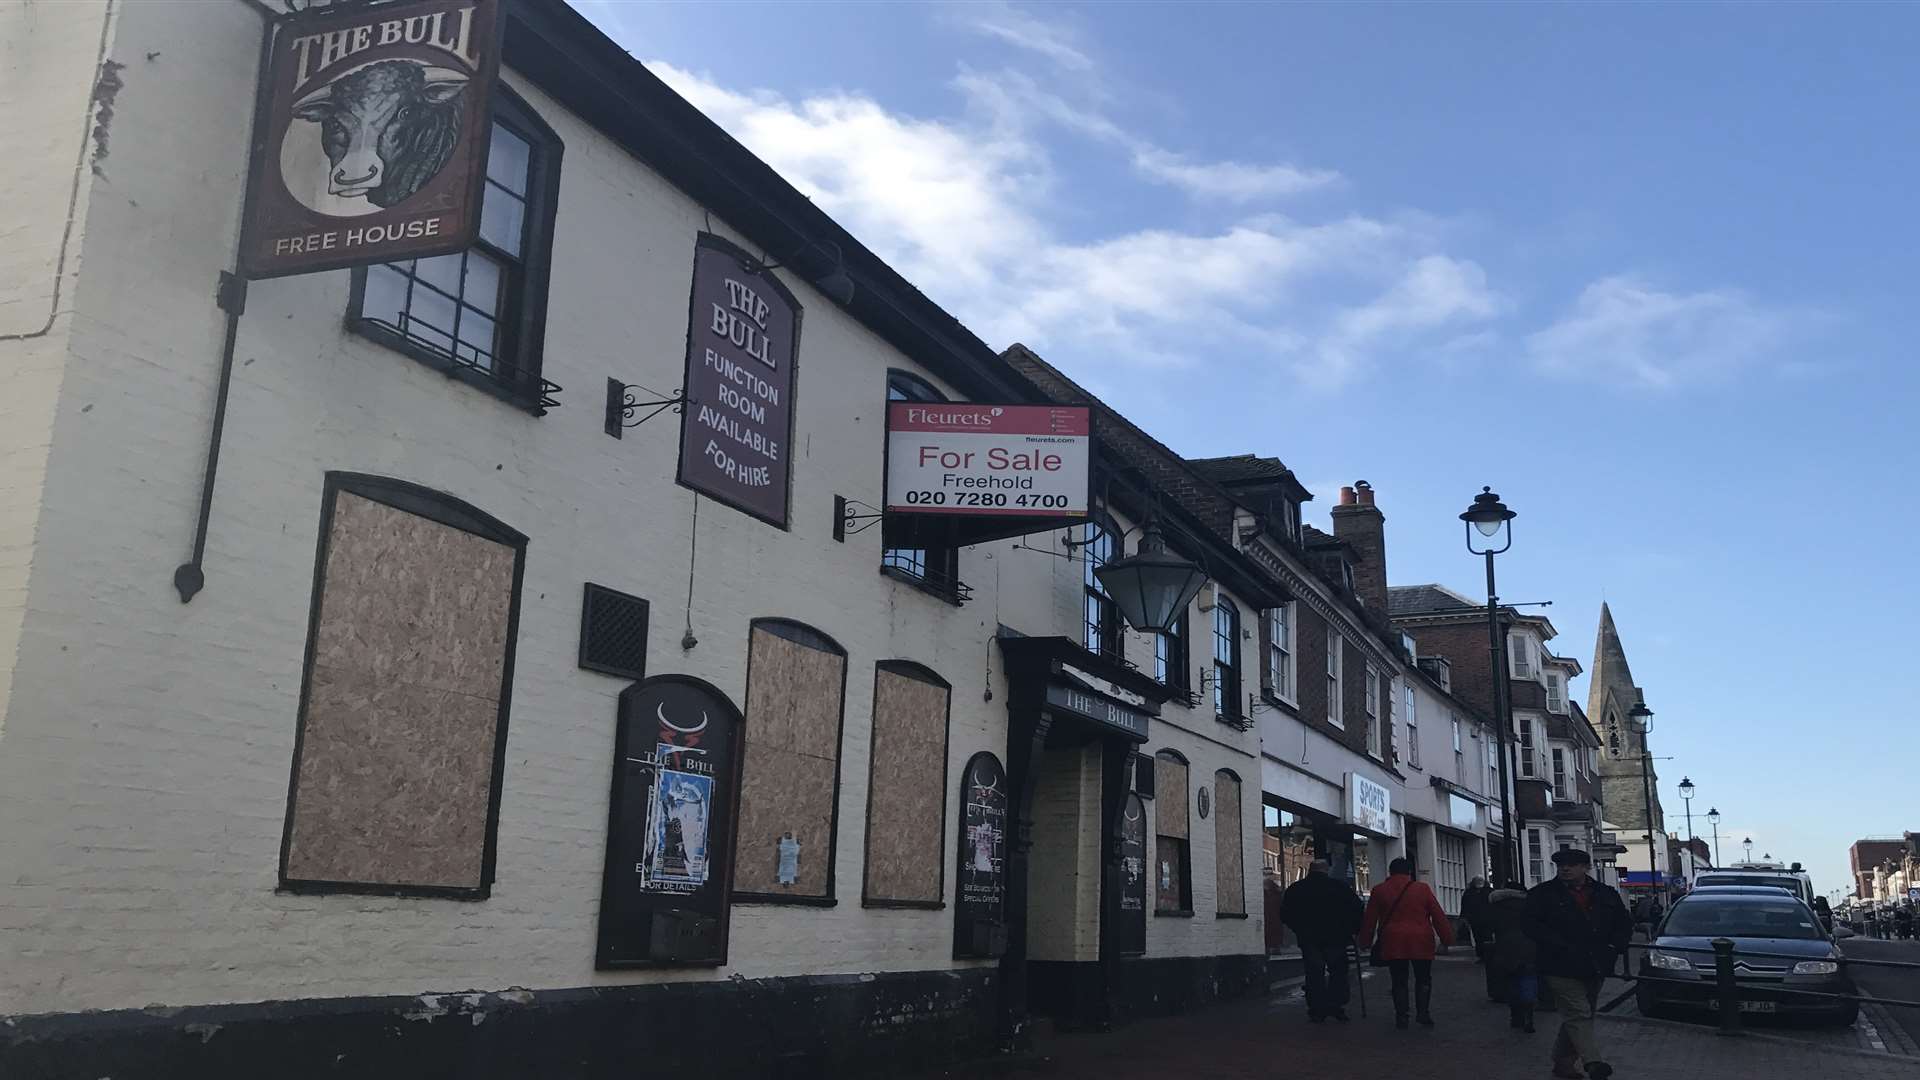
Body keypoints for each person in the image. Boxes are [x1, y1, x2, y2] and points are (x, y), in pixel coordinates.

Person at [1525, 848, 1632, 1080]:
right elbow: (1531, 926)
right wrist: (1556, 944)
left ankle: (1562, 1062)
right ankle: (1593, 1062)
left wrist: (1615, 947)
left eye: (1572, 865)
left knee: (1580, 1016)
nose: (1565, 869)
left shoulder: (1605, 894)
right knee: (1578, 1012)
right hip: (1559, 965)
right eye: (1561, 865)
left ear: (1586, 868)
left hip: (1595, 964)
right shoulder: (1542, 895)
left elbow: (1623, 924)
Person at [1359, 857, 1455, 1030]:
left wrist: (1365, 941)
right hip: (1421, 939)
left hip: (1393, 940)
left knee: (1399, 979)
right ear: (1410, 872)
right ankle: (1423, 1013)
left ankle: (1401, 1016)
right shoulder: (1422, 889)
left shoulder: (1380, 890)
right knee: (1423, 978)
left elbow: (1370, 919)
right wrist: (1446, 939)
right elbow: (1438, 915)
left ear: (1390, 872)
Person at [1280, 859, 1364, 1023]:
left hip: (1309, 938)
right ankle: (1336, 1005)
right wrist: (1351, 931)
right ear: (1326, 870)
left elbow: (1285, 914)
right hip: (1336, 938)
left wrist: (1299, 929)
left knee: (1314, 973)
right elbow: (1357, 909)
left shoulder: (1296, 889)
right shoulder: (1340, 888)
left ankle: (1317, 1008)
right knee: (1338, 972)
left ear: (1310, 870)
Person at [1488, 880, 1538, 1033]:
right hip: (1529, 946)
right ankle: (1529, 1013)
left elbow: (1489, 925)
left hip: (1506, 947)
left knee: (1511, 981)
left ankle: (1516, 1016)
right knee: (1528, 979)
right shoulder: (1531, 905)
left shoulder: (1496, 906)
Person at [1463, 877, 1495, 972]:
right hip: (1479, 919)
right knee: (1481, 937)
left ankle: (1484, 955)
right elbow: (1465, 905)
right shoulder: (1489, 892)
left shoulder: (1470, 892)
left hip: (1482, 919)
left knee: (1483, 937)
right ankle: (1483, 955)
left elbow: (1465, 905)